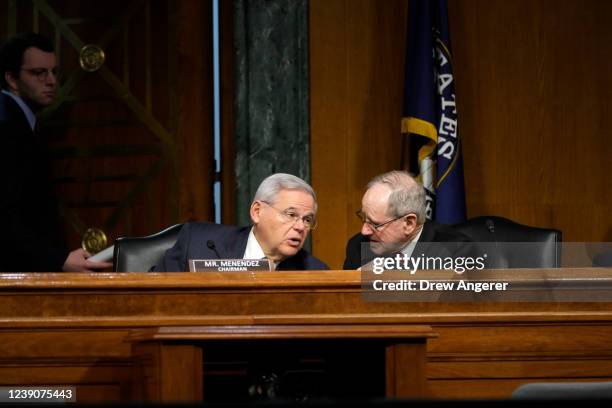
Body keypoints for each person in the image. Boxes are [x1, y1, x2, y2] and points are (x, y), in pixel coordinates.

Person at [0, 32, 112, 272]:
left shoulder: (24, 123)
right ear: (11, 78)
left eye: (53, 72)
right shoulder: (6, 124)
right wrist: (56, 260)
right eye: (38, 73)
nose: (51, 80)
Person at [153, 173, 328, 271]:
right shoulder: (197, 243)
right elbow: (149, 297)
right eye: (291, 214)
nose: (300, 227)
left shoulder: (315, 272)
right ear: (257, 212)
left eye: (307, 219)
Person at [343, 170, 474, 269]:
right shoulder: (358, 246)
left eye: (375, 224)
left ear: (409, 223)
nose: (364, 231)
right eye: (364, 218)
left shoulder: (457, 252)